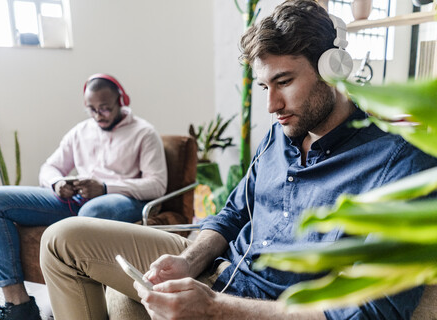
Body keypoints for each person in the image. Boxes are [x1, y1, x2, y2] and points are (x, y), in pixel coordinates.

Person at [40, 1, 437, 319]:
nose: (272, 105)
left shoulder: (399, 161)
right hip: (221, 271)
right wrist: (187, 261)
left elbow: (373, 312)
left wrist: (215, 310)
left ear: (333, 69)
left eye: (284, 82)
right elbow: (232, 214)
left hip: (267, 309)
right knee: (63, 240)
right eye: (265, 85)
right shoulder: (284, 131)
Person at [0, 73, 167, 320]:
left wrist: (105, 187)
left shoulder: (144, 133)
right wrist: (57, 183)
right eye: (92, 109)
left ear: (121, 99)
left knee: (90, 215)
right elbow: (49, 167)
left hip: (120, 201)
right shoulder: (80, 131)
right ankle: (18, 305)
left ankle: (84, 306)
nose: (99, 115)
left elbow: (157, 184)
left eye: (105, 108)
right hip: (74, 200)